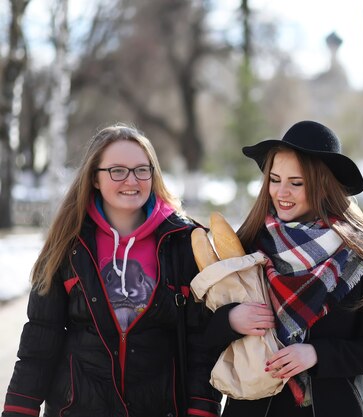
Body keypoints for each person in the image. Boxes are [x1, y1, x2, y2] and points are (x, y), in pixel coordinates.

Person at [2, 124, 222, 417]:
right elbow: (40, 339)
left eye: (141, 170)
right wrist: (19, 410)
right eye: (117, 170)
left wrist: (202, 410)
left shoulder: (183, 242)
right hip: (78, 409)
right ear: (94, 178)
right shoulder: (69, 242)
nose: (131, 180)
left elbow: (200, 342)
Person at [212, 120, 363, 417]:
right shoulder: (247, 246)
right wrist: (230, 320)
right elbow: (202, 331)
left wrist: (316, 355)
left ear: (324, 185)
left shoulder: (358, 256)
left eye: (296, 183)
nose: (281, 192)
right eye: (274, 179)